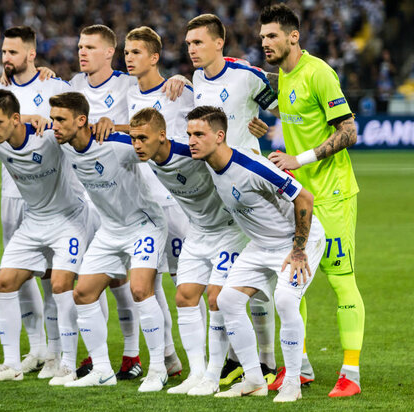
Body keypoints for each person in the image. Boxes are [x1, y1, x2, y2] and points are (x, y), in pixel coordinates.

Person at [259, 4, 364, 397]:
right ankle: (298, 366)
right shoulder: (282, 79)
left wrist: (297, 160)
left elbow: (349, 131)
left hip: (333, 194)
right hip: (298, 196)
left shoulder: (318, 73)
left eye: (272, 36)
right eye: (263, 36)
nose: (265, 42)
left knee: (340, 282)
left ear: (293, 37)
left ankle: (350, 374)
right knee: (292, 282)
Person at [188, 106, 325, 402]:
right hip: (261, 245)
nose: (192, 140)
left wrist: (299, 249)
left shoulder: (252, 167)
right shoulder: (208, 161)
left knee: (286, 301)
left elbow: (304, 197)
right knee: (227, 300)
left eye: (199, 134)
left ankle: (292, 382)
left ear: (219, 136)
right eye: (189, 134)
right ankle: (253, 378)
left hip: (297, 242)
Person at [50, 92, 169, 392]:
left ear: (81, 121)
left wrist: (117, 126)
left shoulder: (115, 145)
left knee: (141, 289)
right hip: (110, 230)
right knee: (83, 294)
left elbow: (152, 138)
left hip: (144, 225)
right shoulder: (64, 145)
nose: (54, 126)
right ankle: (102, 369)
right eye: (52, 119)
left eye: (60, 120)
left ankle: (158, 368)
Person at [185, 13, 280, 385]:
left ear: (218, 43)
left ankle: (267, 361)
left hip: (250, 187)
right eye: (189, 43)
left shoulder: (247, 75)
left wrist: (265, 123)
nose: (192, 49)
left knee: (248, 281)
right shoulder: (194, 79)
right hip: (217, 189)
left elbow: (281, 101)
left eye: (198, 42)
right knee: (234, 281)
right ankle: (243, 360)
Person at [0, 89, 95, 384]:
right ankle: (12, 365)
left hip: (69, 219)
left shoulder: (49, 136)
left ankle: (65, 362)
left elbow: (81, 134)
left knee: (60, 283)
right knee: (3, 283)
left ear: (15, 119)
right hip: (34, 222)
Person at [128, 107, 248, 396]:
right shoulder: (146, 155)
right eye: (134, 139)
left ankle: (213, 375)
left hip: (229, 230)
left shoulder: (192, 151)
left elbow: (232, 159)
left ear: (162, 136)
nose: (137, 145)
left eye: (143, 138)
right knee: (184, 296)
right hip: (198, 231)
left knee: (216, 298)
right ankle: (196, 372)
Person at [0, 26, 73, 378]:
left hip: (55, 195)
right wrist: (27, 118)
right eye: (3, 52)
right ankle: (36, 347)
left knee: (53, 276)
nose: (6, 58)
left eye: (12, 52)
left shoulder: (54, 87)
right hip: (14, 194)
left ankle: (57, 351)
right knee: (22, 276)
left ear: (31, 54)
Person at [124, 26, 192, 377]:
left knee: (187, 284)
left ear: (154, 57)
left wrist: (182, 77)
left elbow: (214, 120)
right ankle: (168, 356)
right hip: (144, 204)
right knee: (148, 283)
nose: (129, 58)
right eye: (126, 52)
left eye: (136, 52)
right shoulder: (127, 93)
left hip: (177, 201)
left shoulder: (178, 91)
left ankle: (204, 357)